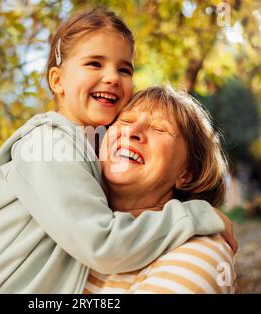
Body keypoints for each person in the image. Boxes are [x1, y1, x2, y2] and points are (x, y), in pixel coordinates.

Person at [0, 8, 236, 294]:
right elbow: (102, 244)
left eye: (124, 69)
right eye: (95, 64)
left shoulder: (86, 152)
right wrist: (195, 215)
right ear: (57, 81)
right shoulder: (49, 145)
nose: (111, 77)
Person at [84, 86, 236, 294]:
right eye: (125, 121)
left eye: (159, 128)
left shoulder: (203, 251)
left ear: (187, 173)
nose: (132, 131)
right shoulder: (67, 219)